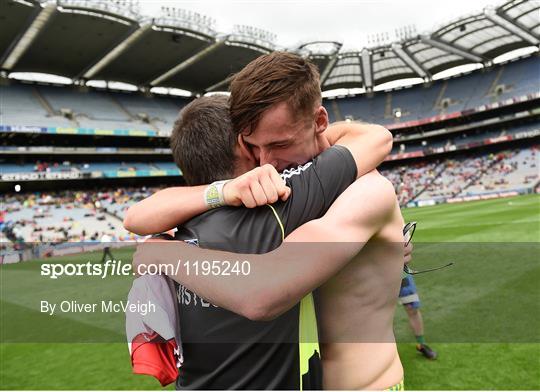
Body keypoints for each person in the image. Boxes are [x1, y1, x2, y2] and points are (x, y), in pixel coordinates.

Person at [129, 52, 407, 389]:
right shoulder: (285, 194)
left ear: (319, 123)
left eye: (279, 144)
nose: (265, 161)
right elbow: (140, 214)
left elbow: (264, 292)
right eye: (253, 146)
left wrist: (162, 253)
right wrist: (225, 189)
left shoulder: (362, 190)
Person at [399, 275, 438, 360]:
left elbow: (407, 260)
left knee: (413, 309)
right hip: (377, 276)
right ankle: (390, 350)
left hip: (401, 275)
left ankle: (422, 345)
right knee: (383, 315)